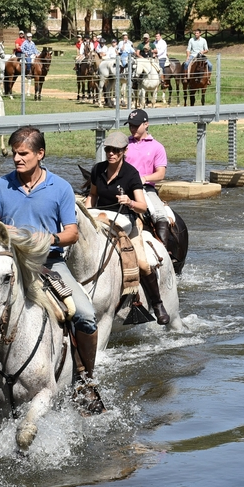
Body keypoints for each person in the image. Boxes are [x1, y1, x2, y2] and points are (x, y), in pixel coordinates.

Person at [0, 126, 100, 411]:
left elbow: (72, 233)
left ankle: (85, 382)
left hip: (48, 264)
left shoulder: (60, 188)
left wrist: (45, 238)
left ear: (40, 154)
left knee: (85, 314)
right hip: (8, 263)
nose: (17, 158)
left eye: (23, 153)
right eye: (14, 153)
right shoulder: (1, 186)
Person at [86, 131, 171, 325]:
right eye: (108, 149)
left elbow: (142, 205)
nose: (111, 154)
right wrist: (87, 210)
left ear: (124, 151)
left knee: (141, 262)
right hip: (101, 219)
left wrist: (129, 201)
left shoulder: (131, 173)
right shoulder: (97, 170)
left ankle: (157, 305)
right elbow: (92, 194)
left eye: (115, 150)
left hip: (127, 222)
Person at [123, 109, 171, 249]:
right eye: (130, 125)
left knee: (160, 215)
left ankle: (164, 250)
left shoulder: (157, 147)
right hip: (124, 187)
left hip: (146, 188)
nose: (132, 129)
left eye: (135, 125)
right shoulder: (124, 145)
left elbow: (160, 174)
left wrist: (144, 178)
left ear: (146, 124)